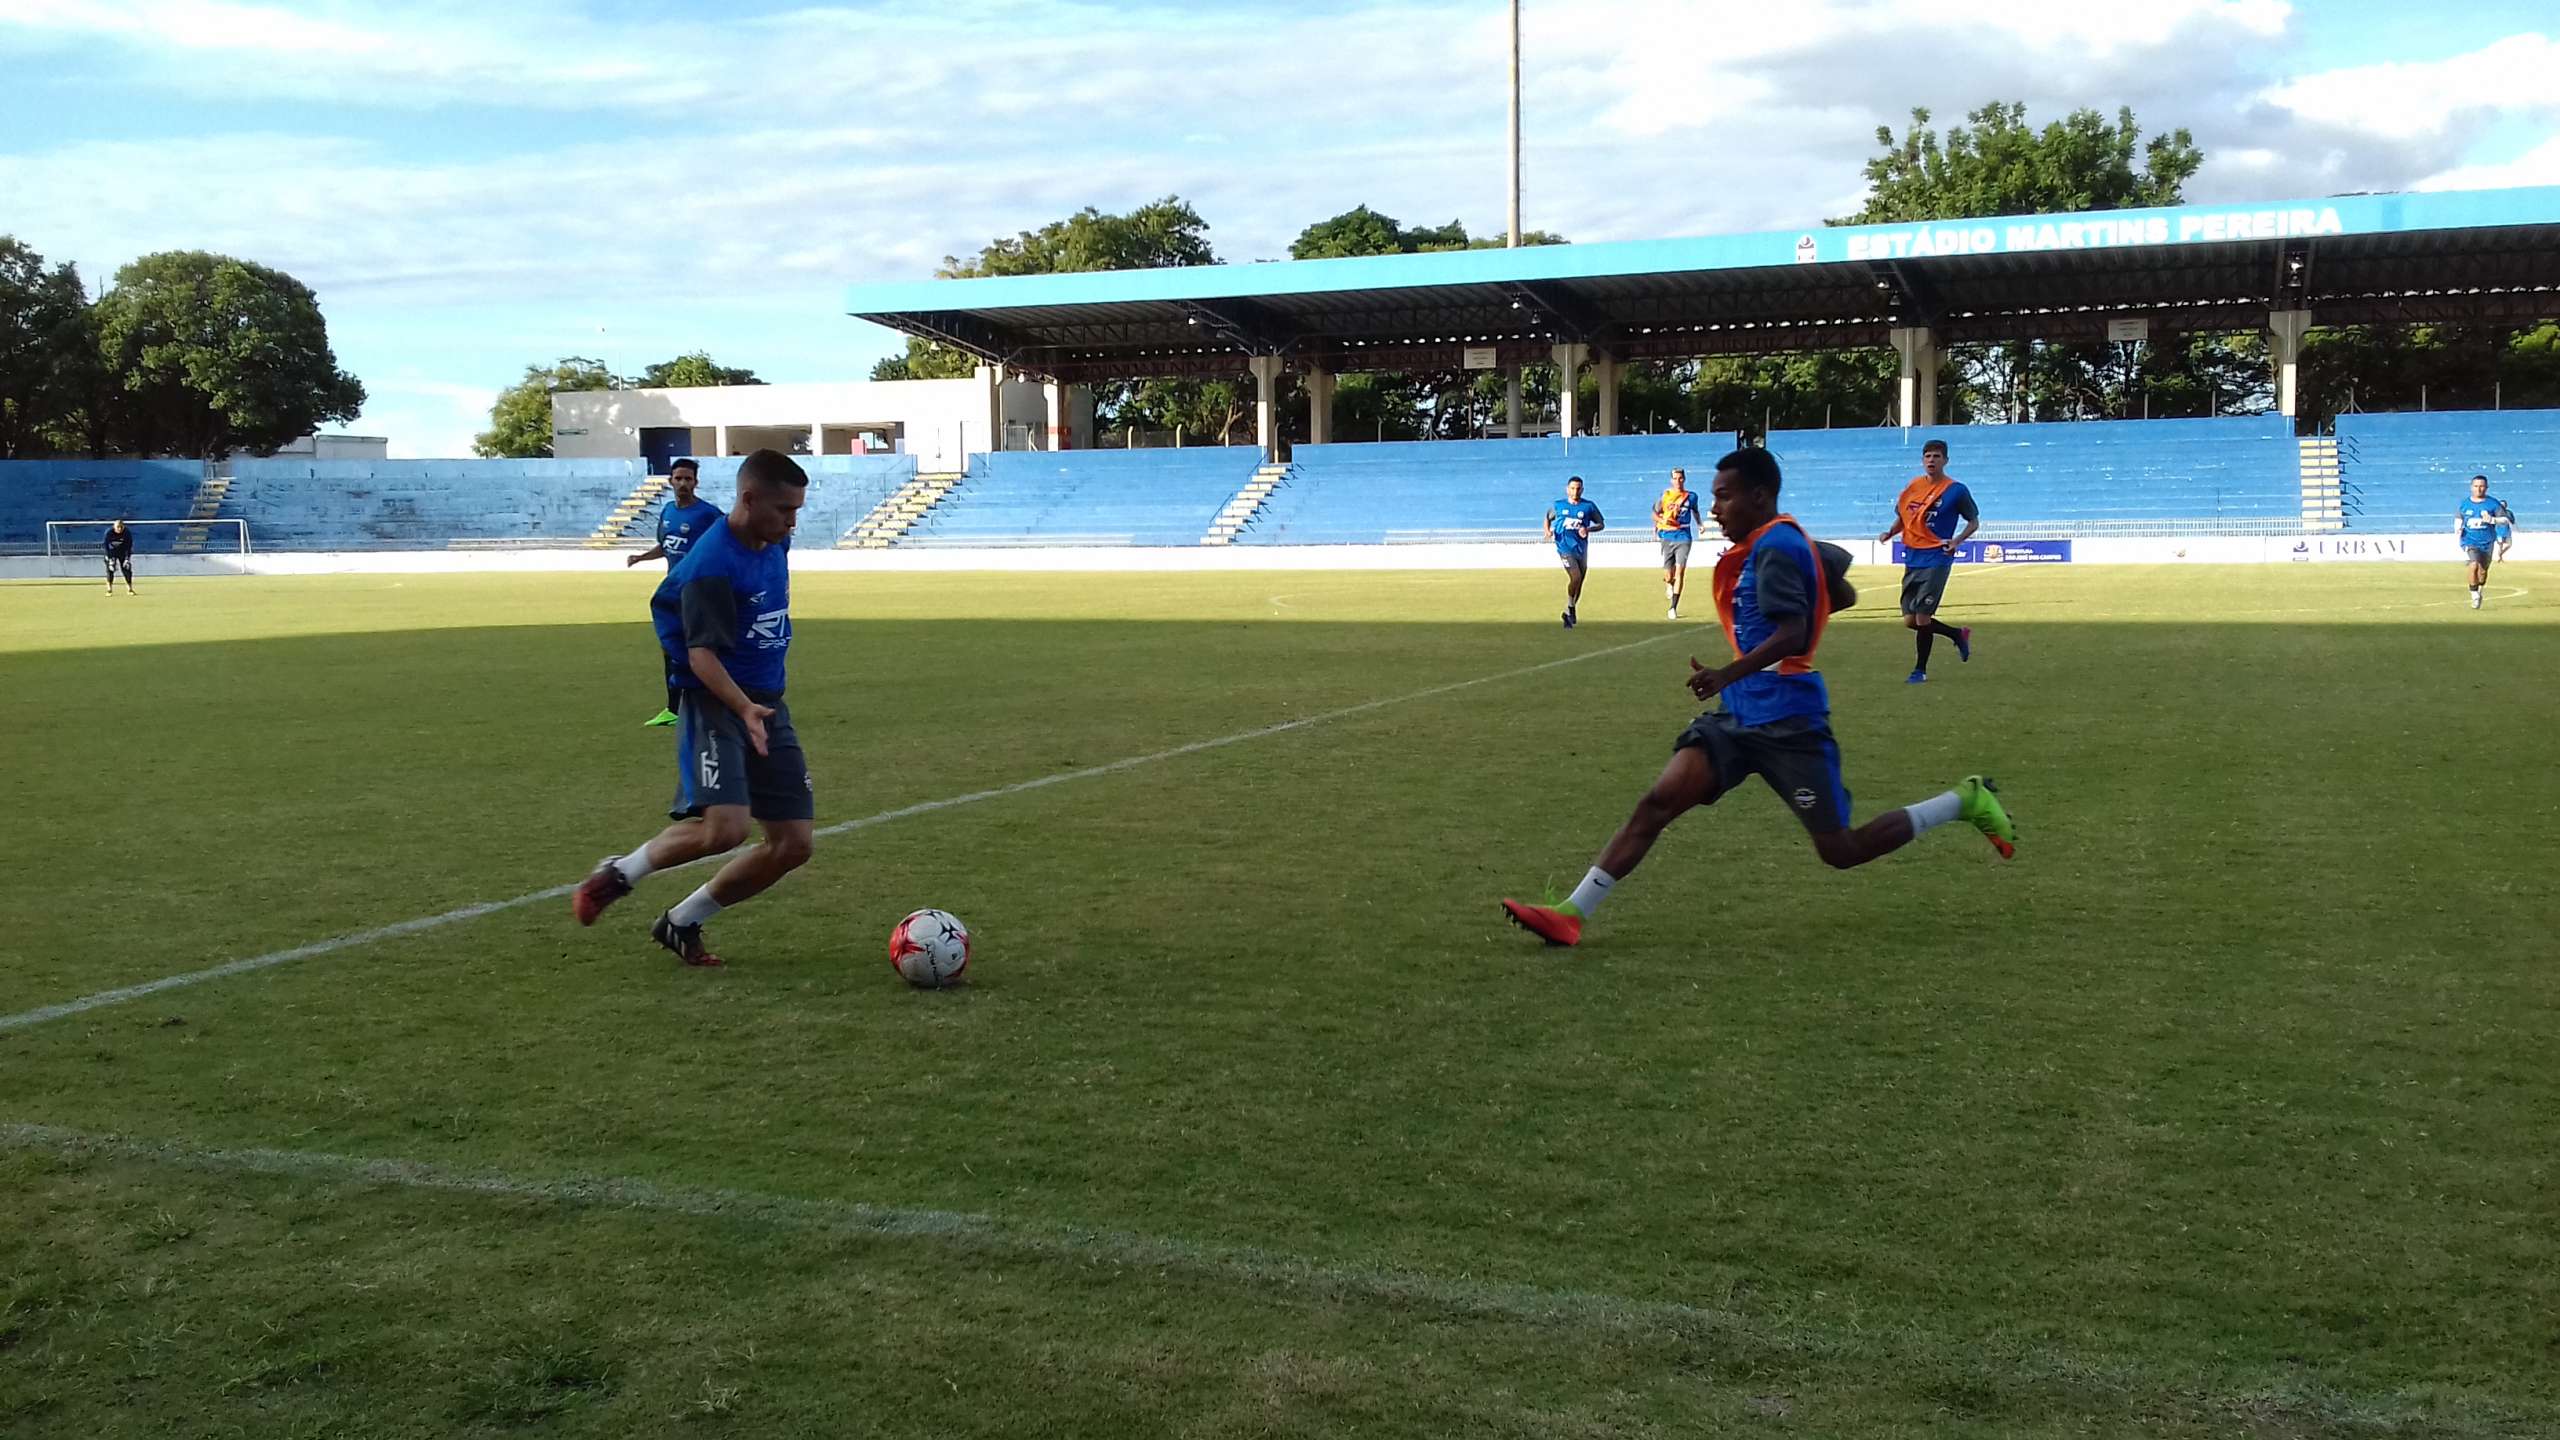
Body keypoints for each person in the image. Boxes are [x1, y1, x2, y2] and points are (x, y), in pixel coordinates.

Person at [1501, 448, 2015, 948]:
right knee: (1657, 802)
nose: (1716, 509)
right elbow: (1842, 592)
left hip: (1789, 721)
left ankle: (1963, 801)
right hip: (1740, 713)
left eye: (1725, 497)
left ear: (1760, 495)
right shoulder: (1777, 542)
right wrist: (1772, 640)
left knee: (1841, 849)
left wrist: (1729, 671)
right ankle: (1571, 913)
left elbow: (1793, 633)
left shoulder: (1775, 548)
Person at [573, 449, 816, 967]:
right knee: (724, 829)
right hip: (717, 701)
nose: (792, 522)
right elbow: (701, 655)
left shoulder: (777, 541)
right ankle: (620, 873)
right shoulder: (711, 566)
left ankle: (680, 922)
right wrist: (743, 708)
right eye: (783, 510)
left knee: (793, 844)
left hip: (767, 703)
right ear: (748, 499)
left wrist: (759, 705)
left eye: (797, 510)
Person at [631, 459, 724, 726]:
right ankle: (673, 709)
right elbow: (666, 545)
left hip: (701, 592)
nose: (683, 483)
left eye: (688, 479)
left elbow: (726, 543)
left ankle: (715, 703)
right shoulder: (668, 511)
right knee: (670, 648)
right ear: (670, 481)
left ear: (696, 482)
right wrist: (641, 557)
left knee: (704, 648)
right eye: (678, 478)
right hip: (674, 592)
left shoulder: (708, 514)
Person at [1878, 438, 1978, 683]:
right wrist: (1890, 532)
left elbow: (1973, 522)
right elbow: (1905, 517)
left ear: (1945, 460)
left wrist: (1956, 541)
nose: (1931, 460)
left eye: (1936, 456)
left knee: (1922, 616)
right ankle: (1956, 634)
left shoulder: (1956, 490)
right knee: (1910, 620)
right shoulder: (1913, 486)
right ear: (1922, 460)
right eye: (1927, 456)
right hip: (1913, 556)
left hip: (1938, 557)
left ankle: (1919, 671)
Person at [1545, 476, 1604, 629]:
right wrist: (1547, 531)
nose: (1575, 491)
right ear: (1567, 489)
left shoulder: (1588, 506)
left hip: (1581, 549)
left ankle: (1569, 612)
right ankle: (1571, 608)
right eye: (1572, 488)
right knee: (1575, 576)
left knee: (1579, 582)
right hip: (1564, 547)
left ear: (1582, 490)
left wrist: (1588, 529)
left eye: (1578, 488)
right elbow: (1547, 517)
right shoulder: (1558, 505)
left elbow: (1601, 524)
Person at [2456, 474, 2515, 610]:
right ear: (2471, 487)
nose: (2479, 489)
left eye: (2482, 486)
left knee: (2482, 572)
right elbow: (2459, 518)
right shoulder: (2465, 503)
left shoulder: (2493, 503)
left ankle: (2479, 589)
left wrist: (2493, 520)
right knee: (2474, 564)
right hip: (2469, 540)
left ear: (2486, 487)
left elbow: (2505, 520)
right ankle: (2474, 595)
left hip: (2487, 541)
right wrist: (2458, 529)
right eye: (2476, 486)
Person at [1653, 467, 1701, 620]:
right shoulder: (1666, 496)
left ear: (1684, 479)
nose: (1678, 481)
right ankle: (1668, 583)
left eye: (1680, 478)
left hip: (1684, 536)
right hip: (1667, 535)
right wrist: (1660, 522)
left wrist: (1700, 524)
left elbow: (1695, 511)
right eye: (1675, 478)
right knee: (1669, 574)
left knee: (1680, 571)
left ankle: (1673, 606)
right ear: (1671, 480)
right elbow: (1655, 513)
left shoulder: (1691, 497)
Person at [102, 519, 135, 594]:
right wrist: (109, 558)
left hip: (122, 552)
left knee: (127, 569)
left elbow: (129, 546)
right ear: (114, 527)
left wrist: (127, 558)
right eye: (118, 527)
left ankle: (130, 589)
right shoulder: (109, 532)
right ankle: (109, 589)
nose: (119, 529)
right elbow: (105, 546)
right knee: (110, 569)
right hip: (111, 552)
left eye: (121, 527)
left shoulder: (127, 533)